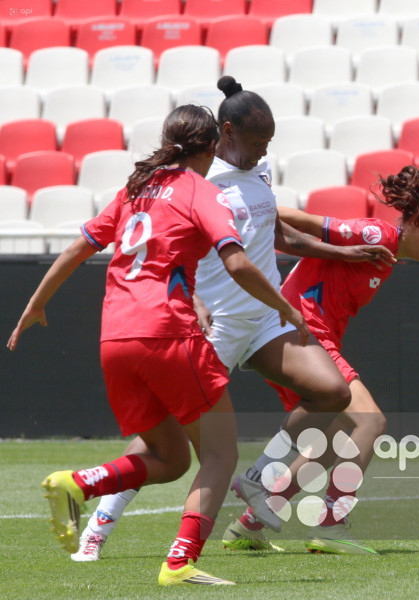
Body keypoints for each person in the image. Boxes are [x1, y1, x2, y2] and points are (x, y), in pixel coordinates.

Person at [67, 75, 395, 561]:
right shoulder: (198, 180)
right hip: (213, 324)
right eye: (258, 143)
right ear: (227, 132)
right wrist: (191, 302)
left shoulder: (257, 173)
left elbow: (278, 234)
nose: (264, 153)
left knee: (332, 391)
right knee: (167, 440)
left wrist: (345, 252)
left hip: (262, 322)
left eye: (268, 144)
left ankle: (260, 479)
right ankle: (98, 526)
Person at [75, 164, 419, 558]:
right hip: (288, 327)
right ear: (417, 220)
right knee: (370, 421)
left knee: (335, 434)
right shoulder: (377, 235)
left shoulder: (389, 251)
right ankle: (327, 522)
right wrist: (254, 213)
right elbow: (297, 220)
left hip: (282, 329)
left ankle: (252, 522)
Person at [7, 104, 310, 586]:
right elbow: (237, 263)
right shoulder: (201, 190)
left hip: (114, 338)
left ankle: (78, 484)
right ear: (212, 147)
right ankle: (180, 562)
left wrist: (35, 305)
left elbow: (76, 248)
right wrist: (287, 307)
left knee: (170, 458)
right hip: (166, 333)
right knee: (220, 456)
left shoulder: (135, 190)